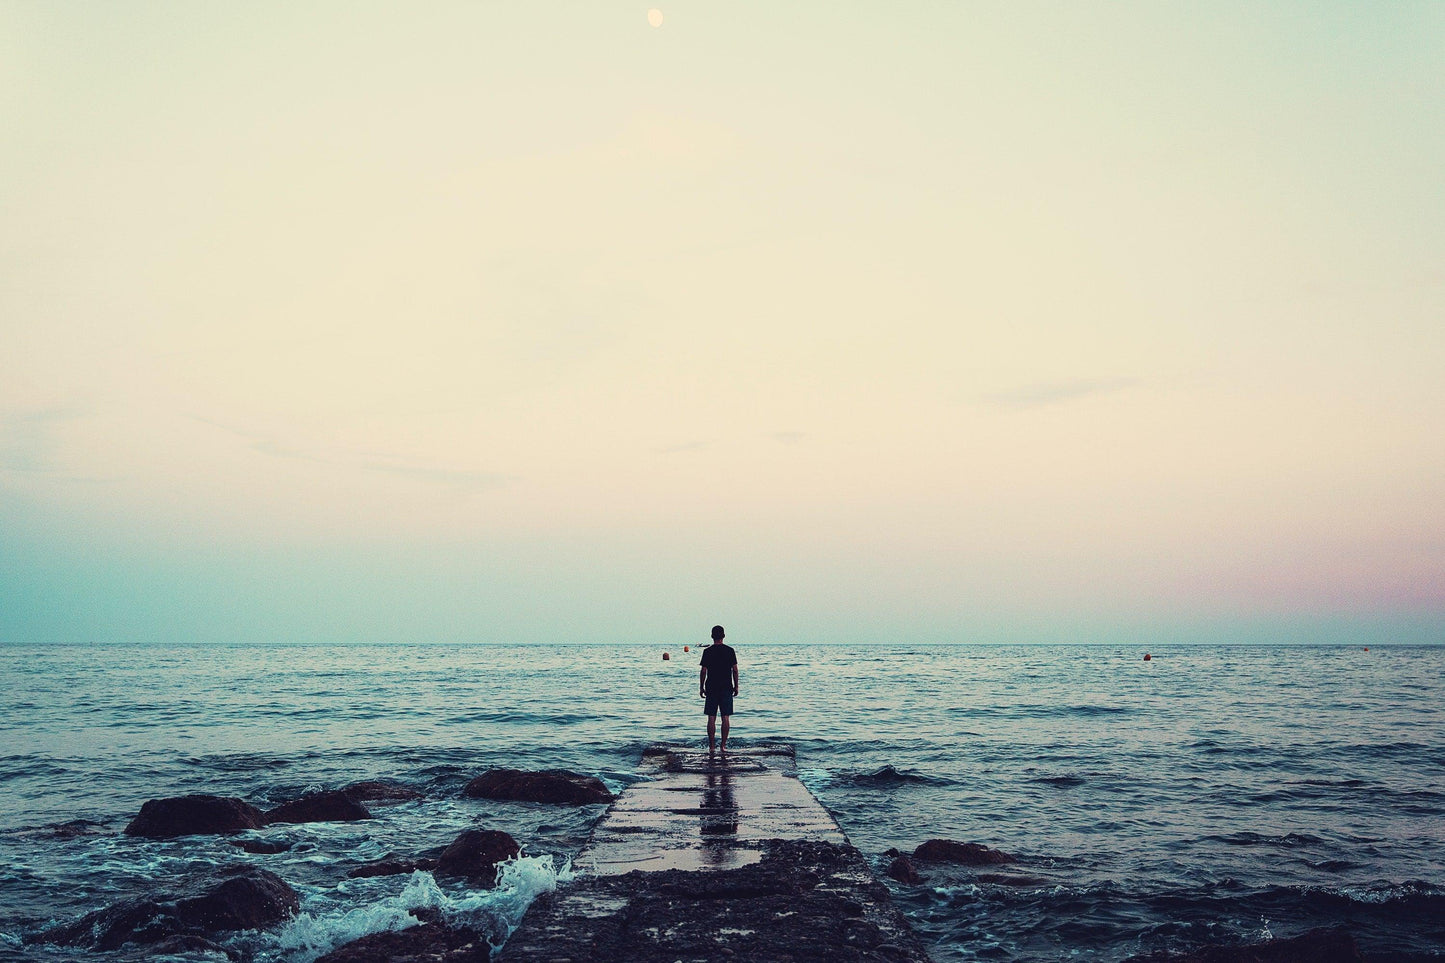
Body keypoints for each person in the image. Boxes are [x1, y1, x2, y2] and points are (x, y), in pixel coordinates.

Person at [698, 625, 739, 754]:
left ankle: (711, 746)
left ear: (712, 636)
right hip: (726, 686)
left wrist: (701, 686)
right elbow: (735, 670)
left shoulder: (707, 651)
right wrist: (736, 685)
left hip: (711, 686)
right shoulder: (730, 651)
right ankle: (723, 746)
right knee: (725, 717)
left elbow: (703, 670)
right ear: (724, 636)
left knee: (711, 717)